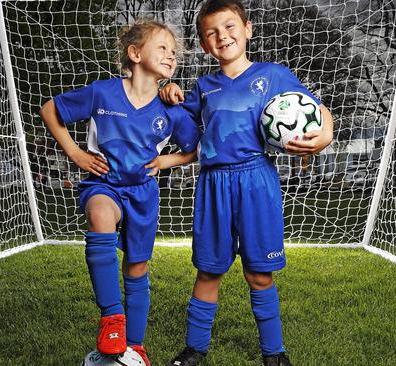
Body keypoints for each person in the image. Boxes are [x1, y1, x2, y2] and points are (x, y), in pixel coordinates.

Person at [159, 1, 334, 365]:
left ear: (248, 29)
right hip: (214, 184)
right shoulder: (203, 86)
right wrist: (169, 89)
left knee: (259, 273)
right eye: (212, 33)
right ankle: (194, 349)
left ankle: (274, 353)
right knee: (209, 270)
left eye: (229, 27)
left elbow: (315, 109)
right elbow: (180, 120)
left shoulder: (273, 75)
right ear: (206, 45)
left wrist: (325, 135)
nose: (223, 36)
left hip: (257, 179)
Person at [40, 20, 200, 366]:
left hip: (143, 193)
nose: (170, 56)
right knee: (100, 216)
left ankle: (136, 346)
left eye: (174, 53)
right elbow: (50, 110)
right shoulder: (103, 93)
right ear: (135, 53)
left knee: (137, 269)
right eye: (163, 49)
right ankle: (112, 319)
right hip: (104, 184)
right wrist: (76, 153)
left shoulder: (172, 109)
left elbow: (197, 147)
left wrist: (167, 160)